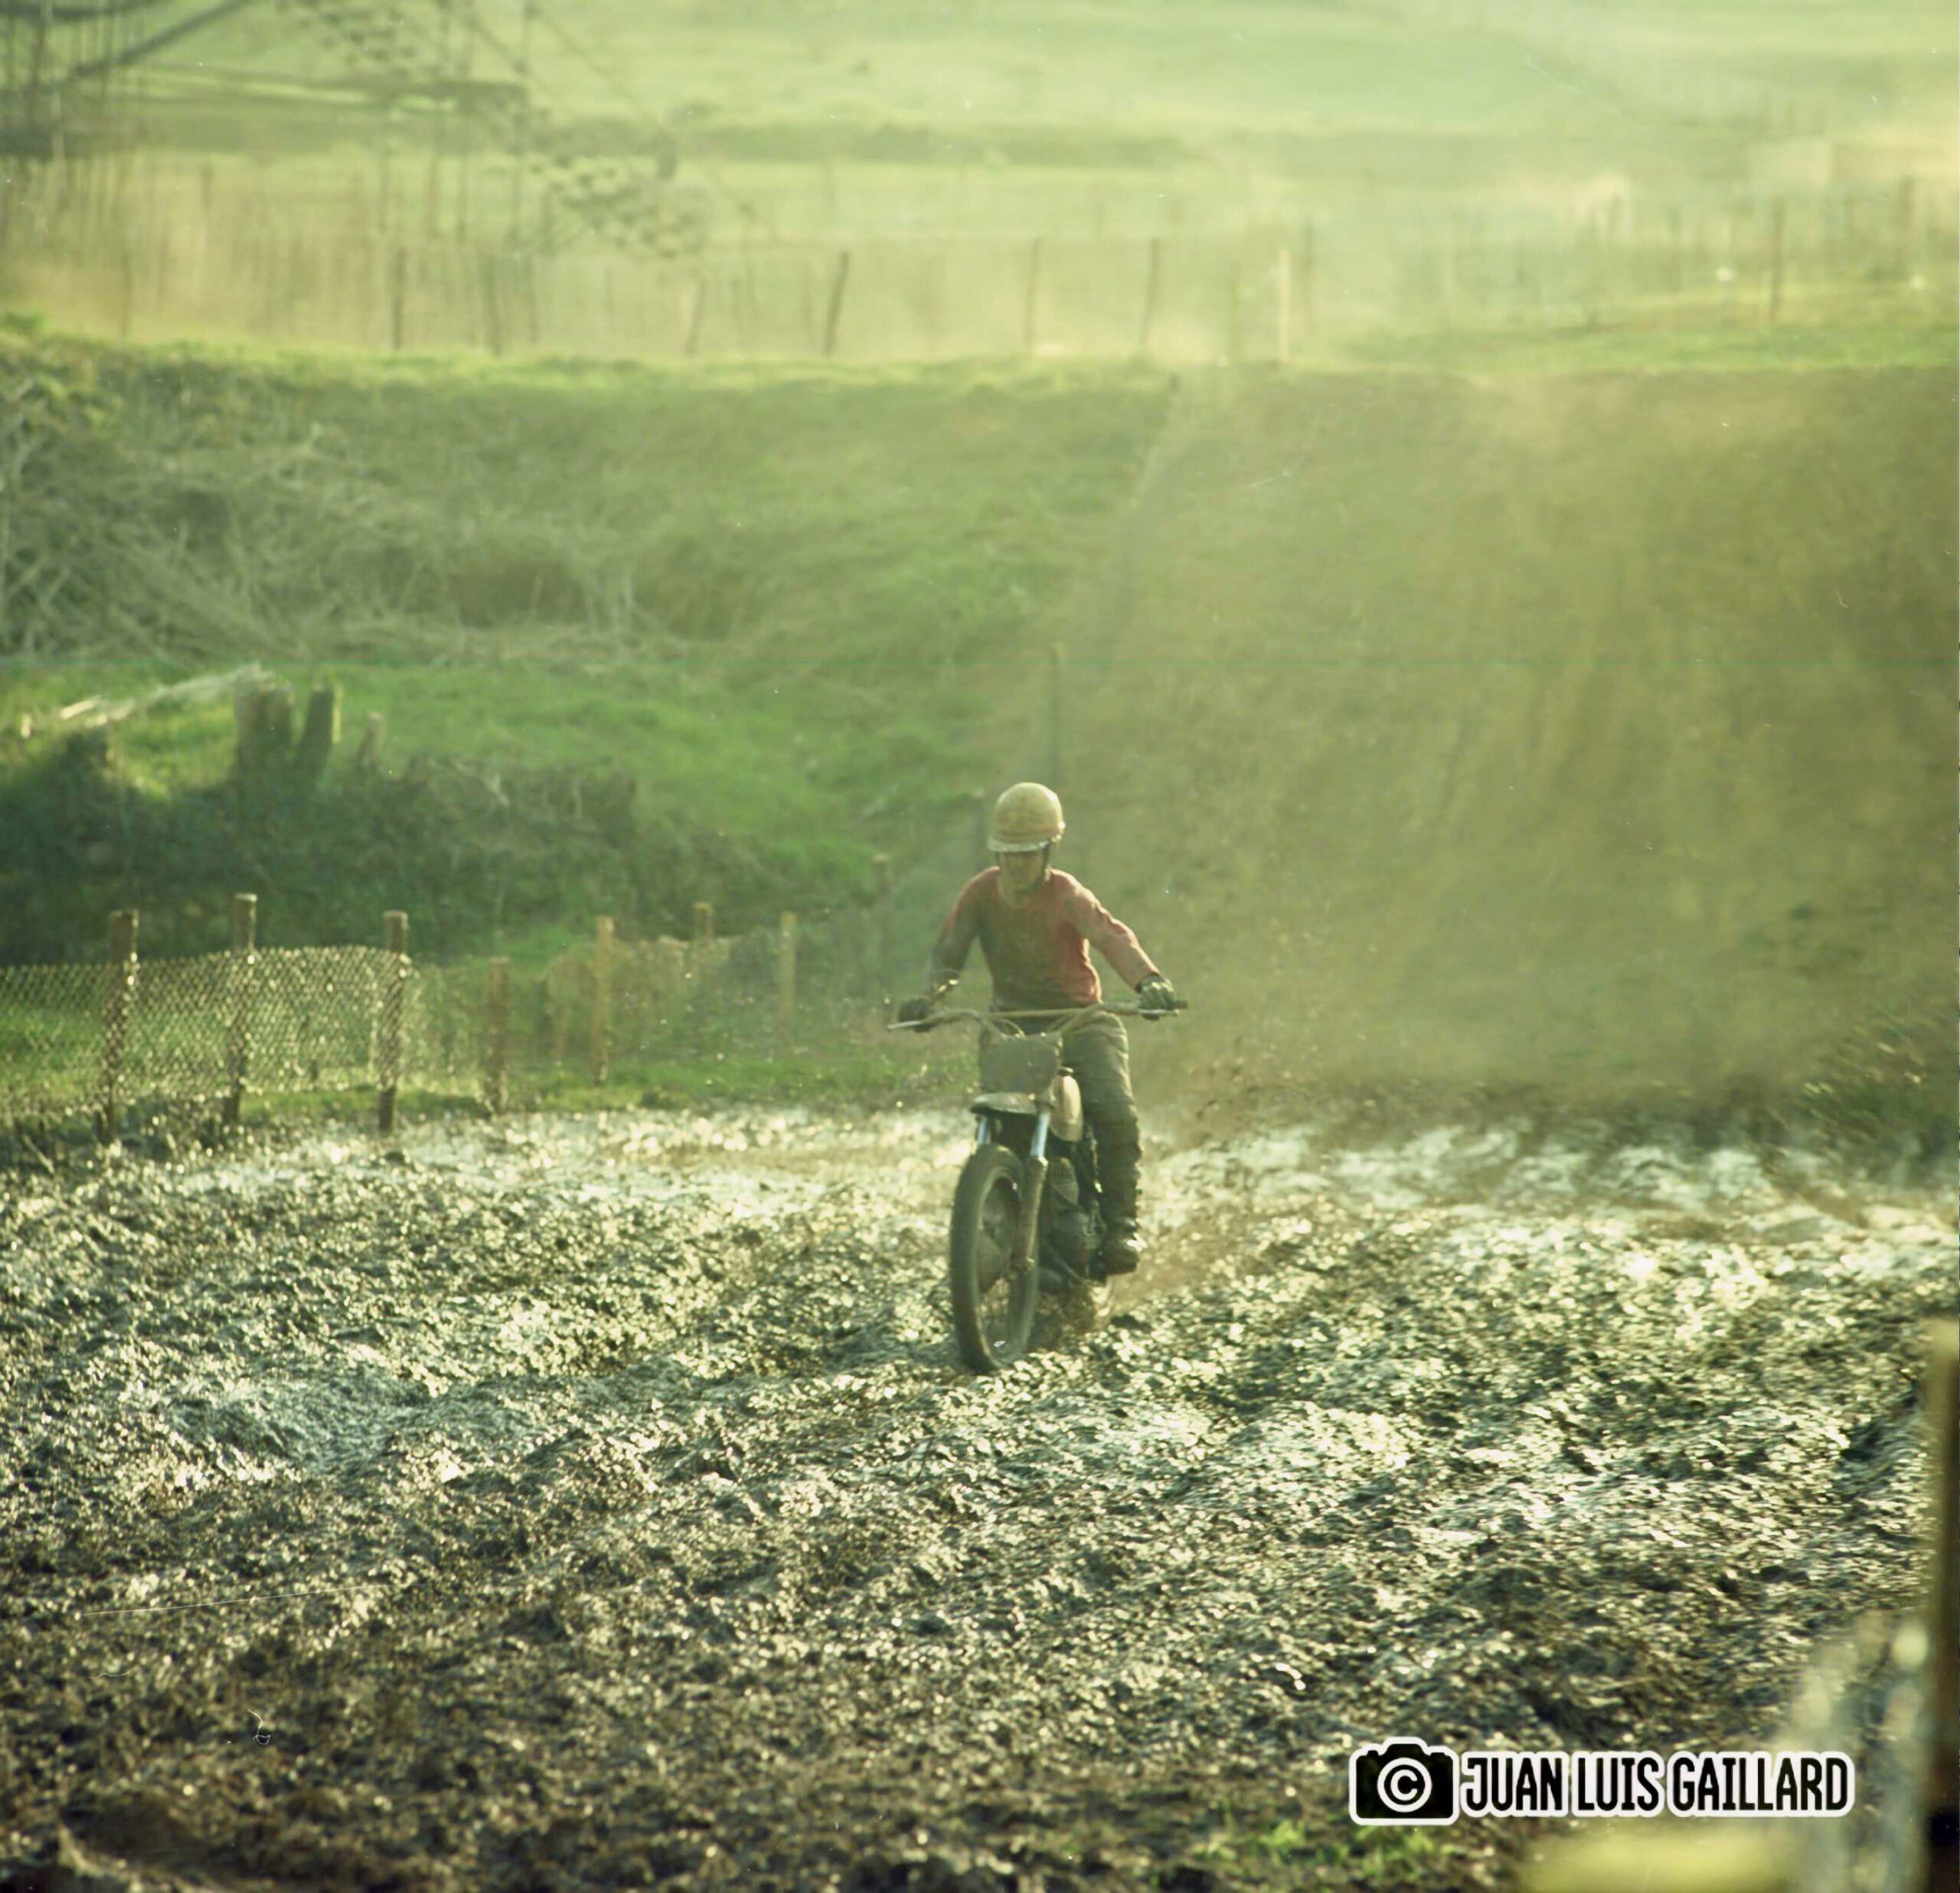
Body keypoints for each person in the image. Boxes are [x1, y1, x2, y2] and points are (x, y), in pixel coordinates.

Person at [898, 782, 1178, 1278]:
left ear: (1049, 849)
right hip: (1011, 1024)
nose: (1016, 864)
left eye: (1027, 853)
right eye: (1007, 853)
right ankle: (1000, 1214)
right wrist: (929, 996)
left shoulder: (1067, 894)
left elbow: (1111, 935)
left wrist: (1148, 981)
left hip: (1081, 1020)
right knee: (1001, 1119)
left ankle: (1121, 1224)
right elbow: (949, 953)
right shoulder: (980, 894)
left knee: (1114, 1110)